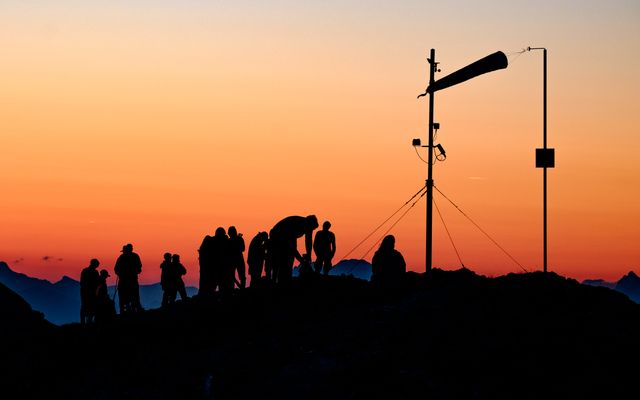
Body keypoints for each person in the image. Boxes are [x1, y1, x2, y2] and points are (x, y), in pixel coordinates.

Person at [268, 215, 319, 285]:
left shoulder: (307, 226)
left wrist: (309, 255)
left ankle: (285, 281)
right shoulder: (296, 225)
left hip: (284, 237)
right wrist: (301, 259)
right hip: (277, 236)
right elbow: (292, 248)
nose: (310, 231)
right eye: (311, 229)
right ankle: (277, 283)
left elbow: (309, 241)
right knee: (281, 260)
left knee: (289, 259)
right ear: (309, 224)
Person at [114, 243, 143, 314]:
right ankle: (136, 309)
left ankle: (124, 311)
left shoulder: (121, 257)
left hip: (124, 280)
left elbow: (116, 269)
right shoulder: (135, 256)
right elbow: (139, 267)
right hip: (132, 279)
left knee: (123, 296)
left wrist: (120, 274)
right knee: (134, 295)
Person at [80, 258, 100, 324]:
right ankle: (89, 321)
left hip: (85, 292)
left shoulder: (84, 271)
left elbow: (82, 282)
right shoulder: (95, 272)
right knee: (91, 306)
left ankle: (84, 322)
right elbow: (97, 283)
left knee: (85, 306)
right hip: (91, 292)